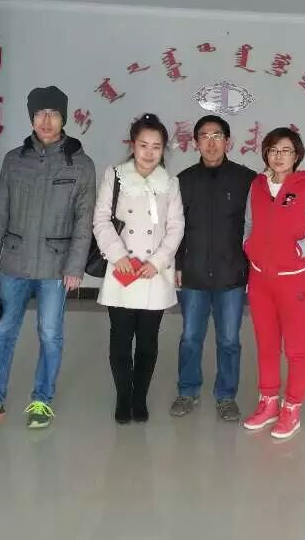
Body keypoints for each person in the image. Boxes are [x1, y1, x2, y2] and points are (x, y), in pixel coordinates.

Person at [0, 85, 96, 430]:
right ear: (31, 118)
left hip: (56, 267)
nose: (46, 121)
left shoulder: (81, 164)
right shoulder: (14, 160)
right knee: (2, 333)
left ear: (63, 118)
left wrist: (75, 267)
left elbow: (84, 221)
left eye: (53, 114)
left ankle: (42, 399)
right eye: (39, 114)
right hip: (14, 263)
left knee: (50, 334)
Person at [93, 114, 185, 424]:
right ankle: (123, 397)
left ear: (163, 150)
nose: (149, 152)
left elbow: (176, 227)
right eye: (143, 145)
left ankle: (139, 397)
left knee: (148, 342)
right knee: (120, 340)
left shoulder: (170, 183)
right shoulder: (115, 176)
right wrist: (117, 254)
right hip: (122, 271)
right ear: (133, 144)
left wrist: (157, 262)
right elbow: (101, 219)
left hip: (153, 274)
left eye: (156, 147)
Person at [241, 127, 305, 439]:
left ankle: (291, 408)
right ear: (266, 153)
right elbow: (249, 224)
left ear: (297, 156)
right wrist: (248, 246)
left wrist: (299, 250)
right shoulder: (257, 186)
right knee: (266, 345)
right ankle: (268, 402)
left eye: (286, 150)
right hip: (260, 280)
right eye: (273, 150)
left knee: (295, 349)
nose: (278, 156)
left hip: (293, 282)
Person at [169, 115, 256, 421]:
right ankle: (187, 390)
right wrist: (178, 264)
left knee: (229, 340)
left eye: (217, 135)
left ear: (227, 141)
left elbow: (255, 226)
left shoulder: (246, 179)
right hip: (193, 273)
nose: (211, 142)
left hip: (232, 275)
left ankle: (226, 396)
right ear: (195, 143)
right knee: (190, 337)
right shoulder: (183, 180)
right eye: (204, 136)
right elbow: (175, 228)